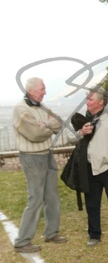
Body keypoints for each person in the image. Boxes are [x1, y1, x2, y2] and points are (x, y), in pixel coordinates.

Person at [13, 77, 67, 253]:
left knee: (52, 197)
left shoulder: (42, 106)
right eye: (42, 89)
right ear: (32, 90)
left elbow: (59, 121)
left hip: (47, 155)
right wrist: (47, 127)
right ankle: (22, 241)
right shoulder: (21, 109)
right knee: (35, 199)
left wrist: (47, 124)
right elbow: (35, 133)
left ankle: (51, 233)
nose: (45, 92)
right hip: (32, 158)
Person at [73, 86, 108, 247]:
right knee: (91, 204)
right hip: (89, 169)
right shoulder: (82, 119)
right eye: (87, 99)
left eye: (90, 99)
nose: (87, 102)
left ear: (101, 102)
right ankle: (94, 234)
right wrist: (80, 133)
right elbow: (71, 139)